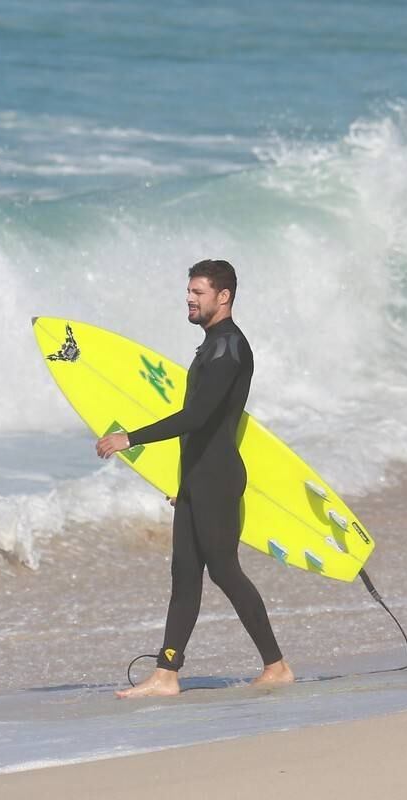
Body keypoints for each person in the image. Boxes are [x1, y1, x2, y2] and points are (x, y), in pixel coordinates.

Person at [96, 259, 294, 697]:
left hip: (219, 477)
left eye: (199, 292)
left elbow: (198, 417)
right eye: (189, 291)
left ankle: (276, 665)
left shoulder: (229, 349)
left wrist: (131, 437)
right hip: (200, 477)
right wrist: (185, 481)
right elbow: (202, 428)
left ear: (223, 297)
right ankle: (167, 674)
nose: (190, 298)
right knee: (185, 572)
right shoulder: (212, 346)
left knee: (224, 571)